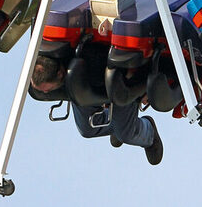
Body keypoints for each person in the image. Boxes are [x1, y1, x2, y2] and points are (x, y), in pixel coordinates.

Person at [30, 54, 163, 164]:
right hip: (85, 85)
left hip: (119, 83)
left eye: (47, 89)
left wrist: (143, 87)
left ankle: (148, 132)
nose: (47, 92)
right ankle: (114, 123)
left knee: (125, 134)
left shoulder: (93, 68)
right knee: (87, 128)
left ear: (59, 74)